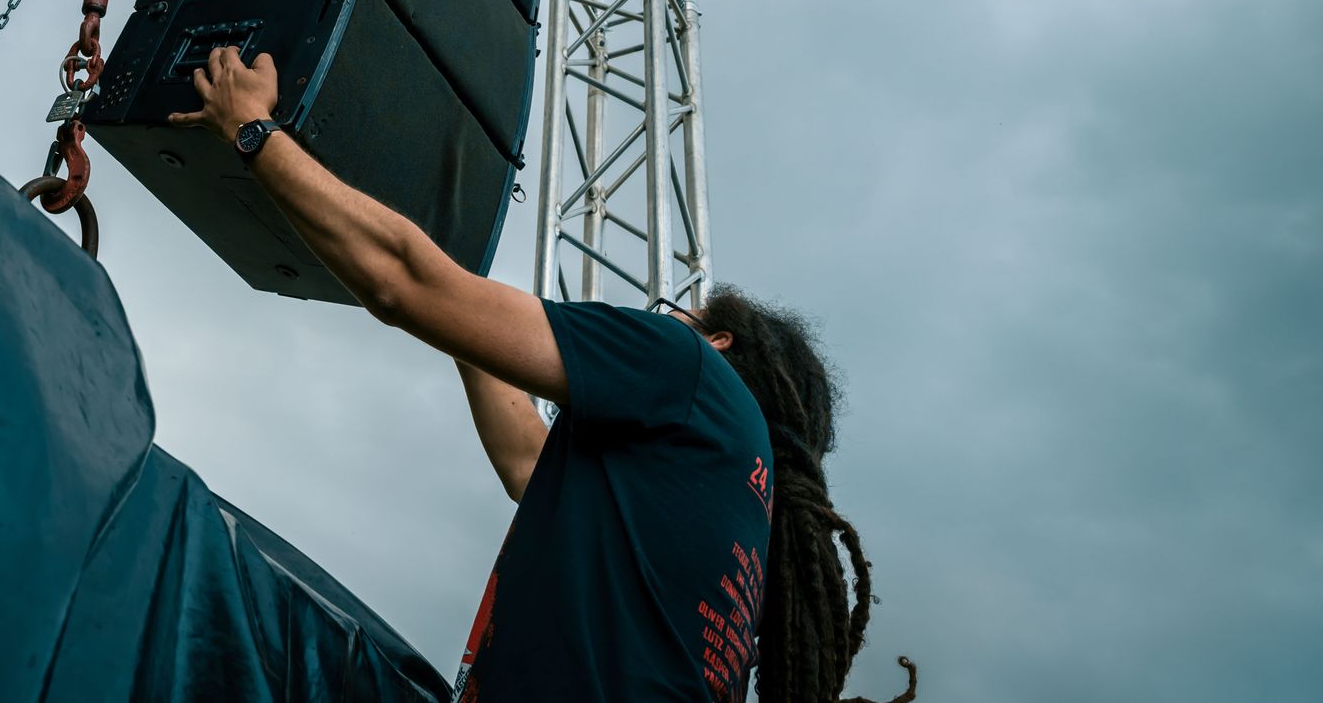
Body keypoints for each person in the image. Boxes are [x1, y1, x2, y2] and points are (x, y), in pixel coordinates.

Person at [170, 46, 916, 703]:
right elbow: (528, 461)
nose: (660, 322)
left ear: (719, 342)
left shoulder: (692, 371)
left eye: (675, 314)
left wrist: (252, 130)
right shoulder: (737, 505)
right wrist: (468, 326)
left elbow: (402, 281)